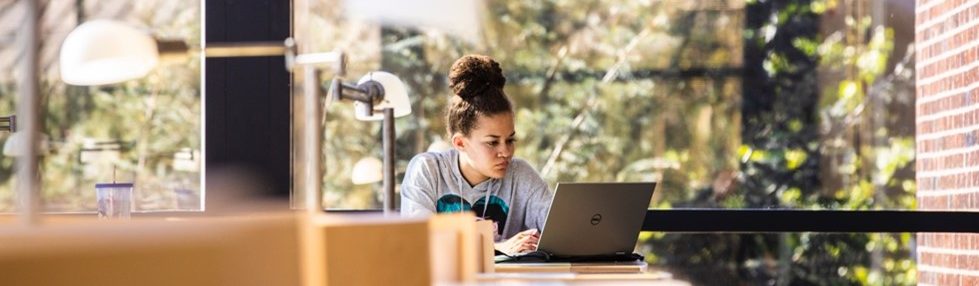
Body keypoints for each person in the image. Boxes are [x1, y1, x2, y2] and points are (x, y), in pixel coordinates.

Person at [400, 55, 553, 255]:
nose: (505, 152)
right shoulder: (427, 170)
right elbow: (418, 239)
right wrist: (495, 248)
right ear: (460, 143)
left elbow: (558, 230)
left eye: (510, 140)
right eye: (492, 142)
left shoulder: (520, 174)